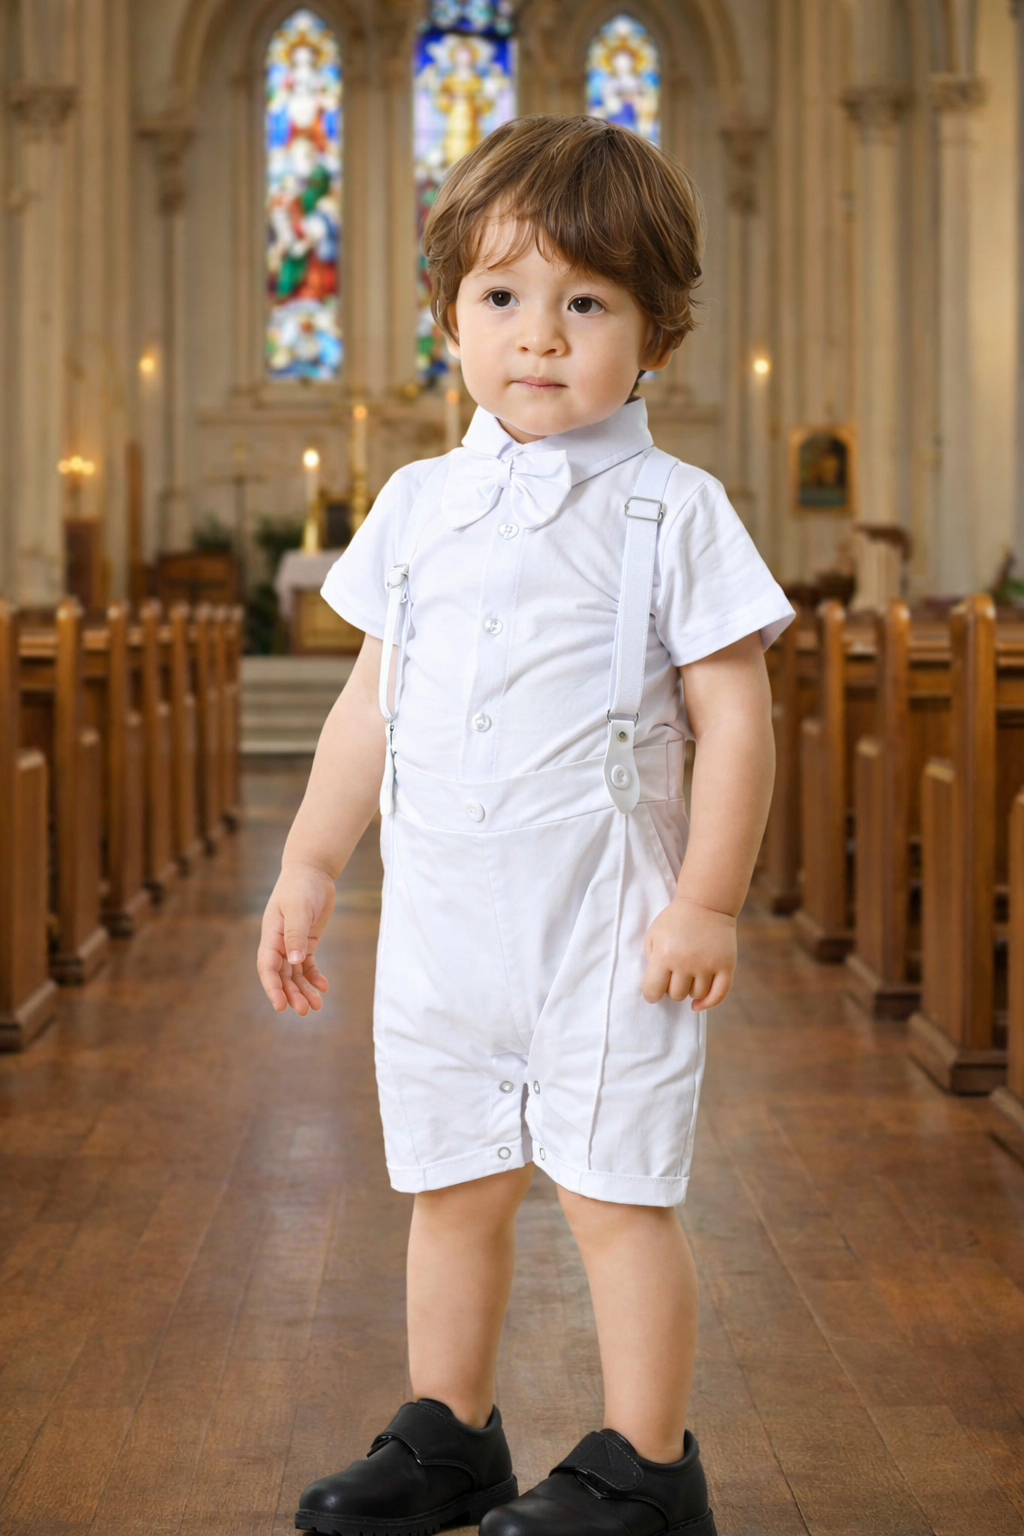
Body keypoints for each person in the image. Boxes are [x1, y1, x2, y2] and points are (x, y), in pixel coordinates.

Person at [257, 114, 794, 1536]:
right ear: (449, 315)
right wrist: (310, 859)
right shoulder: (419, 504)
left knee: (614, 1194)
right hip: (443, 918)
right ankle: (450, 1435)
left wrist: (708, 900)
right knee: (453, 1182)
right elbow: (370, 703)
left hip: (608, 919)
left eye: (586, 302)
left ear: (656, 330)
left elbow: (737, 718)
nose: (539, 335)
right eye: (501, 295)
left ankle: (646, 1465)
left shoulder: (676, 511)